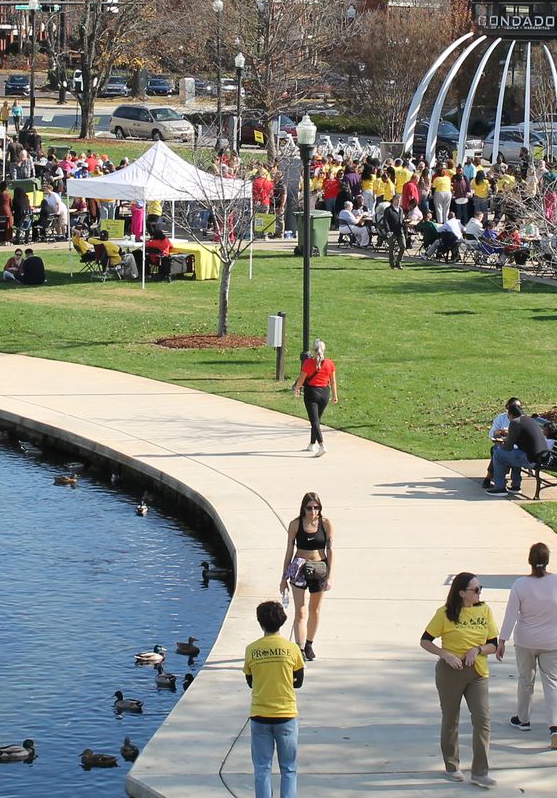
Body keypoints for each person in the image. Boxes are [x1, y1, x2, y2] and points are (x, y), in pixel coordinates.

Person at [421, 572, 497, 788]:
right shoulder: (445, 613)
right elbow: (425, 641)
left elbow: (493, 643)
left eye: (480, 588)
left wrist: (478, 649)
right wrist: (445, 654)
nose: (479, 592)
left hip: (478, 672)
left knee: (482, 719)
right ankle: (452, 765)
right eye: (475, 589)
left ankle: (480, 771)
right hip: (450, 673)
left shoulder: (485, 610)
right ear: (462, 593)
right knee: (451, 719)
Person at [499, 542, 557, 750]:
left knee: (526, 679)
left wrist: (502, 640)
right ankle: (555, 728)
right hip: (552, 641)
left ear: (530, 561)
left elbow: (510, 615)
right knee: (552, 682)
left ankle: (523, 719)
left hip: (525, 640)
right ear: (548, 560)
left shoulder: (520, 585)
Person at [244, 599, 305, 798]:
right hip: (286, 715)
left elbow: (250, 681)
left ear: (260, 622)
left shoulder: (251, 649)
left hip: (260, 714)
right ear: (282, 622)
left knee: (262, 768)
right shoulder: (293, 649)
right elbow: (298, 682)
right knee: (288, 768)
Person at [280, 492, 333, 662]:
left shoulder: (325, 524)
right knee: (300, 611)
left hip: (319, 567)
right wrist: (283, 577)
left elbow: (330, 550)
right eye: (309, 508)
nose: (313, 511)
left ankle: (309, 643)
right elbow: (289, 550)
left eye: (316, 508)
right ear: (303, 508)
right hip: (299, 567)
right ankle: (299, 647)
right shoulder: (295, 524)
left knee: (315, 610)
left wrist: (330, 575)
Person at [488, 405, 552, 496]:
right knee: (515, 452)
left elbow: (508, 447)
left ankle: (500, 488)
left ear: (511, 415)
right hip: (541, 457)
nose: (508, 419)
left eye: (508, 416)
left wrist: (500, 444)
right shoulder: (530, 420)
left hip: (530, 460)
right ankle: (515, 486)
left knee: (497, 453)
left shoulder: (515, 423)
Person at [290, 339, 338, 458]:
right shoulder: (329, 363)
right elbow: (333, 381)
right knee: (316, 420)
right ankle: (312, 444)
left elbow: (302, 379)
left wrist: (297, 388)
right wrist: (335, 395)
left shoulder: (308, 363)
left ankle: (322, 445)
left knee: (314, 421)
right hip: (325, 394)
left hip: (311, 393)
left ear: (313, 350)